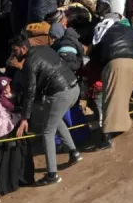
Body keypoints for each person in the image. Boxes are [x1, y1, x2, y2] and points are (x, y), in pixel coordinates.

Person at [10, 35, 82, 185]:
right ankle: (74, 152)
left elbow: (30, 91)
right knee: (54, 121)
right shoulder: (44, 49)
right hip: (74, 88)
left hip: (60, 93)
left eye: (15, 51)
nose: (14, 54)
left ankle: (52, 174)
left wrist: (25, 117)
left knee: (48, 132)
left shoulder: (30, 63)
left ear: (23, 49)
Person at [91, 12, 133, 149]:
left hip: (116, 64)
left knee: (109, 101)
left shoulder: (102, 31)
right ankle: (122, 126)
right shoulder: (129, 29)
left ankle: (106, 137)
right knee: (123, 98)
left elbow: (96, 55)